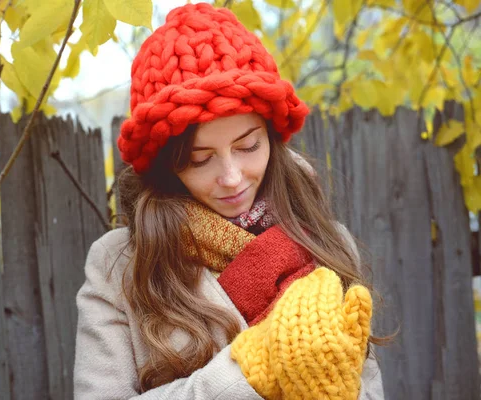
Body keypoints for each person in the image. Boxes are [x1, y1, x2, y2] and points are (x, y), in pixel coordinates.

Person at [74, 3, 385, 399]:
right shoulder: (119, 265)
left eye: (248, 146)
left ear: (270, 137)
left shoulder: (326, 242)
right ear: (168, 165)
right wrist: (250, 371)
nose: (232, 178)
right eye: (200, 159)